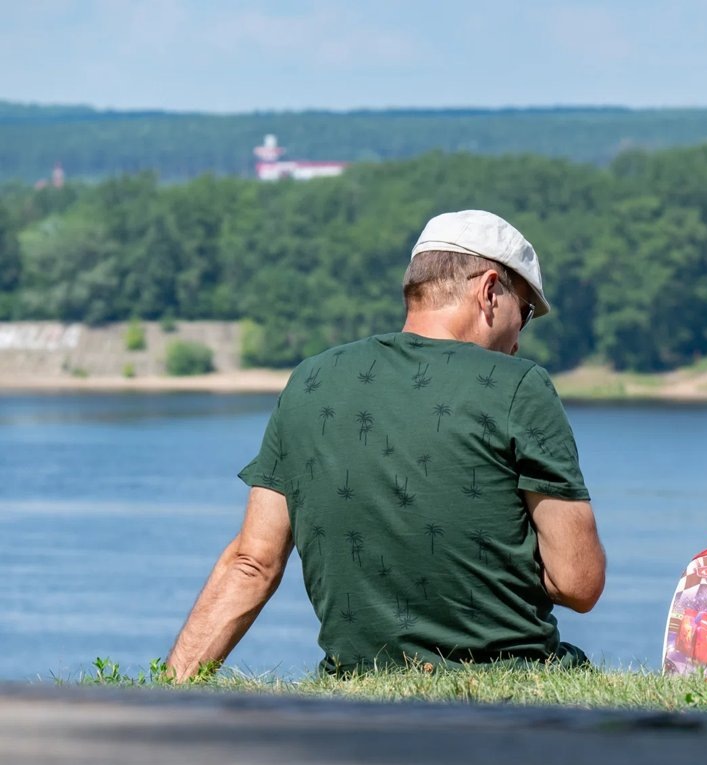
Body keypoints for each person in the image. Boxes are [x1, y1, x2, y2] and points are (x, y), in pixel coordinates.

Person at [166, 210, 606, 680]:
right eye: (526, 312)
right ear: (489, 290)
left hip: (356, 685)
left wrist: (167, 692)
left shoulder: (310, 381)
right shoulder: (520, 386)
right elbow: (578, 583)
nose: (519, 339)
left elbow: (252, 564)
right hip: (512, 681)